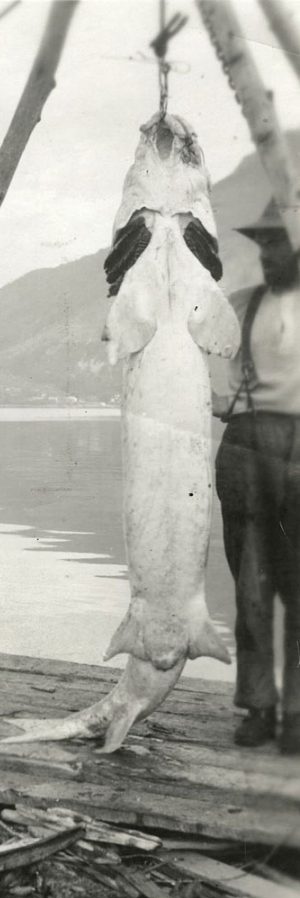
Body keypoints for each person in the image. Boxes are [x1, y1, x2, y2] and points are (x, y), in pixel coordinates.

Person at [213, 198, 300, 754]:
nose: (271, 254)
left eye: (281, 243)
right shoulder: (238, 306)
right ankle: (259, 709)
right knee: (250, 594)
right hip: (245, 457)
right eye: (265, 244)